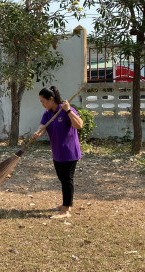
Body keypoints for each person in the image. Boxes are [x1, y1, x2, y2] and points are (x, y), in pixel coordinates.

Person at [33, 86, 83, 219]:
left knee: (67, 180)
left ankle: (66, 210)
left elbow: (79, 125)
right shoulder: (48, 113)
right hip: (57, 153)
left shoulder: (66, 109)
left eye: (43, 101)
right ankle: (66, 203)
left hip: (69, 152)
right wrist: (38, 133)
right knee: (62, 179)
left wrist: (68, 111)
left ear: (51, 99)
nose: (42, 104)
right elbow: (42, 127)